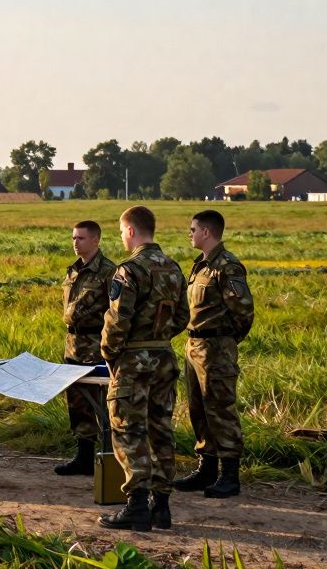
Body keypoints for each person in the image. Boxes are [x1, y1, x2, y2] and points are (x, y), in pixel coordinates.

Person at [98, 206, 188, 532]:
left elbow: (117, 320)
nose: (122, 237)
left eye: (122, 231)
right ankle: (161, 506)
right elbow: (183, 316)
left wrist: (109, 353)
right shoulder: (174, 268)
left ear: (132, 231)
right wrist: (159, 337)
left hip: (134, 361)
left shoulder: (129, 270)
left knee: (128, 428)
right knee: (160, 428)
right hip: (164, 357)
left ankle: (136, 504)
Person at [173, 209, 254, 498]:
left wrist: (225, 342)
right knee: (198, 409)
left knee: (220, 409)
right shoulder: (201, 265)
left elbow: (243, 311)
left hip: (216, 348)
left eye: (193, 229)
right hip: (195, 346)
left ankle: (229, 475)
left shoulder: (227, 266)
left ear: (206, 232)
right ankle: (206, 468)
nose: (190, 234)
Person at [55, 220, 117, 476]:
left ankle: (110, 458)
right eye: (73, 237)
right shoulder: (73, 271)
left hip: (95, 345)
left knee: (102, 404)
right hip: (73, 344)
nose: (75, 242)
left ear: (95, 240)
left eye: (80, 238)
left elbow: (116, 311)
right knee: (77, 402)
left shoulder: (109, 271)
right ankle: (84, 456)